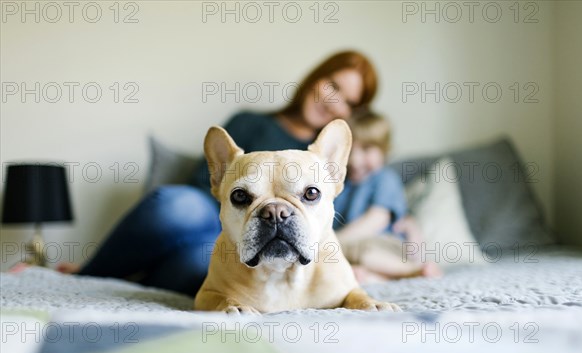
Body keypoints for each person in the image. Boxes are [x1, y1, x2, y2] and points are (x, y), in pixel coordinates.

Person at [57, 50, 379, 296]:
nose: (333, 101)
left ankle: (135, 278)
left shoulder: (336, 161)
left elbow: (339, 227)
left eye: (347, 101)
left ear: (353, 113)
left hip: (248, 256)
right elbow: (202, 185)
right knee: (177, 205)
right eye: (332, 86)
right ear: (316, 78)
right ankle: (86, 274)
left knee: (194, 264)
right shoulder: (251, 123)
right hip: (212, 218)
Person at [333, 110, 442, 283]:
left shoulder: (384, 178)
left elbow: (377, 219)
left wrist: (332, 241)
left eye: (366, 149)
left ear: (384, 150)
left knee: (365, 254)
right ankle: (372, 277)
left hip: (384, 245)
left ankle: (412, 270)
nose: (355, 159)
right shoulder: (340, 184)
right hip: (348, 246)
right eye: (349, 150)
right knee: (339, 265)